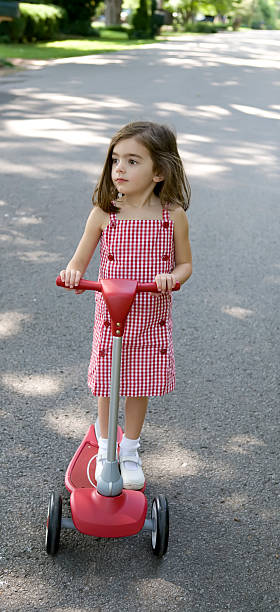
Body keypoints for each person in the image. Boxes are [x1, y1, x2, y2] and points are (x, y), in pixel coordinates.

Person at [59, 121, 192, 490]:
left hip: (149, 320)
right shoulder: (105, 213)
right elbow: (78, 261)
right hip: (112, 319)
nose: (119, 168)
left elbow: (186, 264)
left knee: (138, 385)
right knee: (108, 384)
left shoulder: (172, 216)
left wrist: (173, 277)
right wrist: (72, 274)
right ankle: (106, 448)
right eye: (116, 159)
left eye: (133, 161)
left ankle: (129, 448)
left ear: (160, 172)